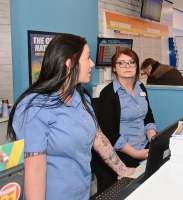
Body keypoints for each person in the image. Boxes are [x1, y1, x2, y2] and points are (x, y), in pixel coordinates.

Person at [6, 34, 135, 200]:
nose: (92, 64)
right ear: (69, 63)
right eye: (87, 58)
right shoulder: (34, 106)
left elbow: (98, 137)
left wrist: (123, 171)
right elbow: (35, 169)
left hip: (81, 193)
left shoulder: (81, 97)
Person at [91, 49, 157, 194]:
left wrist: (153, 140)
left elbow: (148, 116)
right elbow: (109, 132)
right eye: (122, 63)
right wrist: (135, 153)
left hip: (142, 147)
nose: (127, 66)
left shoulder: (140, 87)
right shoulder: (108, 94)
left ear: (137, 66)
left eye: (131, 62)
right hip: (121, 152)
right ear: (114, 68)